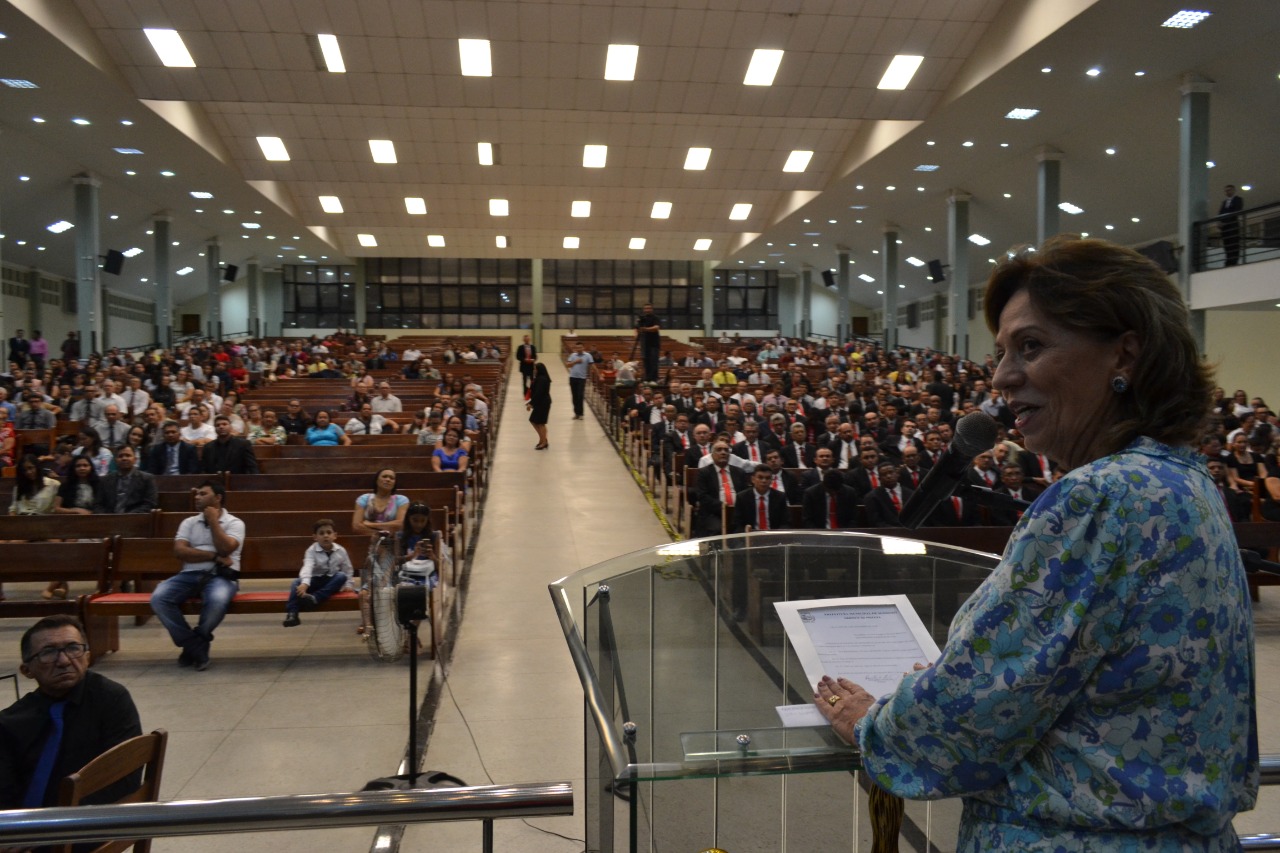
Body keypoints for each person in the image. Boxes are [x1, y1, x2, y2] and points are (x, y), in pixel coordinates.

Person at [814, 237, 1257, 849]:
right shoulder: (1180, 479)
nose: (1002, 377)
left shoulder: (1099, 497)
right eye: (1001, 353)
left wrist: (876, 724)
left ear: (1124, 353)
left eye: (1032, 346)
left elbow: (963, 722)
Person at [0, 615, 142, 809]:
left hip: (87, 824)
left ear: (87, 657)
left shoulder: (111, 699)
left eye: (73, 648)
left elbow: (126, 778)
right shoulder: (10, 722)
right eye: (48, 652)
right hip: (23, 830)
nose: (64, 661)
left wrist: (65, 818)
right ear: (27, 670)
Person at [150, 480, 245, 671]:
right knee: (159, 598)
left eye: (203, 494)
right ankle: (194, 643)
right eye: (197, 494)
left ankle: (193, 645)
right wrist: (214, 556)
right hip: (188, 574)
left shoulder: (235, 523)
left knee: (217, 600)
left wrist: (213, 521)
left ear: (218, 498)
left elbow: (226, 547)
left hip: (221, 577)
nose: (197, 497)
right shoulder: (189, 522)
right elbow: (180, 551)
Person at [283, 518, 353, 628]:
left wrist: (348, 585)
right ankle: (292, 614)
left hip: (330, 582)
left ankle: (315, 598)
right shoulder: (311, 550)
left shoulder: (341, 550)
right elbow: (307, 566)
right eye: (321, 533)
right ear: (315, 537)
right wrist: (305, 583)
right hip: (314, 581)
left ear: (335, 535)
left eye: (329, 533)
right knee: (296, 582)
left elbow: (347, 569)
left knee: (341, 576)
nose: (325, 536)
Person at [96, 445, 158, 514]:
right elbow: (98, 504)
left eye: (128, 455)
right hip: (109, 520)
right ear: (115, 460)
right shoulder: (105, 480)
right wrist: (107, 518)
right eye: (120, 456)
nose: (124, 458)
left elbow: (150, 503)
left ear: (135, 459)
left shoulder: (147, 479)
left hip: (136, 519)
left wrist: (128, 517)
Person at [395, 502, 440, 590]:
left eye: (423, 521)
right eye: (415, 520)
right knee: (403, 587)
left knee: (426, 588)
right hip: (407, 574)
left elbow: (439, 566)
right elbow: (396, 561)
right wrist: (412, 555)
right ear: (408, 519)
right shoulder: (400, 536)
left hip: (428, 574)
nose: (419, 524)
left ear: (427, 520)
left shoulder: (434, 536)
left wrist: (432, 556)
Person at [527, 362, 552, 450]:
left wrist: (531, 403)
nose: (534, 370)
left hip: (543, 403)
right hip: (541, 402)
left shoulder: (542, 379)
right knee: (534, 420)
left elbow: (539, 393)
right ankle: (543, 439)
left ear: (539, 370)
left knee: (541, 423)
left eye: (535, 369)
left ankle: (543, 442)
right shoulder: (540, 378)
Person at [1218, 183, 1244, 267]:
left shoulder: (1238, 200)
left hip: (1232, 226)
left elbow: (1236, 211)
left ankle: (1233, 260)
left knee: (1233, 243)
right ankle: (1228, 260)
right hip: (1225, 228)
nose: (1227, 192)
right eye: (1226, 191)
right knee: (1227, 244)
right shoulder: (1224, 202)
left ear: (1233, 190)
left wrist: (1225, 222)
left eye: (1228, 190)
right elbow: (1220, 213)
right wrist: (1219, 222)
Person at [566, 341, 592, 420]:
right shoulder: (573, 355)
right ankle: (576, 413)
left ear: (583, 348)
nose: (579, 349)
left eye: (580, 347)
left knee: (580, 395)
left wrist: (590, 375)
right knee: (574, 396)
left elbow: (591, 366)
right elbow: (567, 364)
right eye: (577, 348)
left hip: (582, 378)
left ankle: (581, 413)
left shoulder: (588, 355)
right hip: (573, 377)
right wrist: (575, 361)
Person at [635, 303, 661, 381]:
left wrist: (645, 329)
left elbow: (656, 327)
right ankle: (646, 377)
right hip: (644, 343)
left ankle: (653, 378)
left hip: (654, 343)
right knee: (645, 361)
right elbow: (636, 328)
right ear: (643, 309)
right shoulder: (641, 319)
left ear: (652, 309)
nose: (647, 310)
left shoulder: (655, 318)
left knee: (653, 361)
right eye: (646, 308)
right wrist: (637, 335)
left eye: (649, 308)